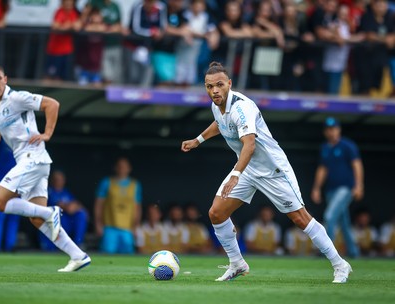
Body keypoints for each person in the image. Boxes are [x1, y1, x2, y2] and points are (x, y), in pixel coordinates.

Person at [181, 61, 352, 283]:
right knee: (216, 213)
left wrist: (235, 175)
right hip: (248, 168)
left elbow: (249, 145)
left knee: (300, 218)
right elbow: (220, 123)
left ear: (229, 84)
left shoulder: (242, 107)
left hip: (274, 170)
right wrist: (198, 139)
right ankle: (237, 264)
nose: (214, 90)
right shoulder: (217, 104)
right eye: (209, 86)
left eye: (219, 85)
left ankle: (340, 264)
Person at [0, 64, 91, 272]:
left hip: (33, 158)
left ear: (5, 79)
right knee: (37, 219)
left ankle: (50, 212)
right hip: (29, 162)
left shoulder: (17, 97)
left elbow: (52, 104)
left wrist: (47, 134)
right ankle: (78, 255)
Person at [311, 116, 363, 258]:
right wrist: (316, 188)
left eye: (333, 129)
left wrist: (359, 185)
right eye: (328, 129)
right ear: (325, 132)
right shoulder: (325, 148)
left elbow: (357, 165)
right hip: (330, 190)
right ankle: (353, 252)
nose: (331, 132)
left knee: (329, 216)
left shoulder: (347, 145)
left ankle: (327, 251)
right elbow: (323, 169)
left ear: (338, 129)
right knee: (344, 222)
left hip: (345, 188)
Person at [94, 157, 142, 254]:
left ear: (129, 169)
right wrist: (98, 223)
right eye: (119, 166)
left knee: (127, 257)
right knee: (107, 255)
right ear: (115, 168)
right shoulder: (107, 182)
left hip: (127, 228)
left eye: (124, 167)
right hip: (109, 227)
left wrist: (136, 226)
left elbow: (137, 207)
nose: (122, 169)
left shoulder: (135, 185)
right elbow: (99, 204)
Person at [41, 170, 88, 251]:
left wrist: (74, 207)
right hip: (52, 225)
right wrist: (69, 207)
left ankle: (77, 243)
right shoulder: (49, 191)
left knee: (81, 214)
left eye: (61, 179)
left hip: (67, 223)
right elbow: (60, 206)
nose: (59, 181)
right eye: (56, 179)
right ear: (52, 180)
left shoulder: (66, 192)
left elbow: (76, 205)